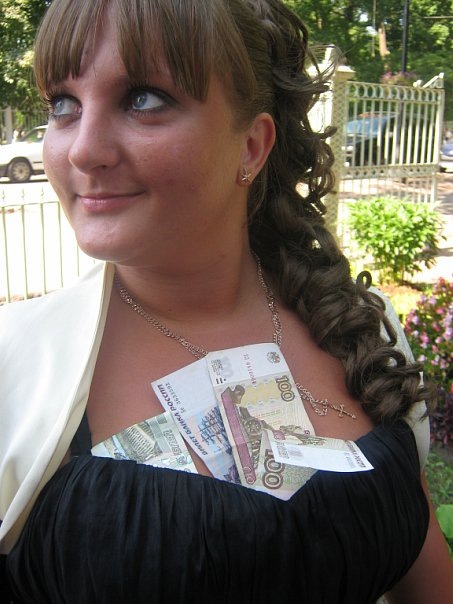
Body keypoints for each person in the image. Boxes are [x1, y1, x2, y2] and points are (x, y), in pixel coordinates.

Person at [0, 0, 452, 602]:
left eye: (143, 99)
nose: (83, 150)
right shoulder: (13, 366)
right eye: (63, 104)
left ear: (252, 145)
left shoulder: (359, 326)